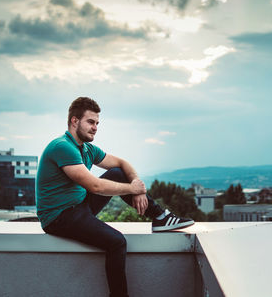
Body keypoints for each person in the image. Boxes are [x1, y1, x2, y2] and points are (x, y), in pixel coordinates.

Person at [35, 97, 194, 297]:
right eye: (90, 122)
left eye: (97, 123)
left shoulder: (87, 149)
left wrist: (138, 186)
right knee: (117, 242)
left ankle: (160, 216)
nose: (95, 128)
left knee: (118, 172)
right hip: (59, 217)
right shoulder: (62, 147)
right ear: (74, 121)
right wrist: (131, 189)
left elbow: (121, 163)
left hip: (79, 207)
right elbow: (95, 185)